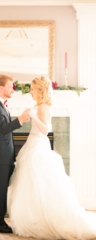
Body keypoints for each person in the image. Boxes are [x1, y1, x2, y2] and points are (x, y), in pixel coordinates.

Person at [7, 76, 96, 239]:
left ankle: (39, 219)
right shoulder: (40, 105)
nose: (30, 92)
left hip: (38, 147)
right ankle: (34, 217)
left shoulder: (42, 106)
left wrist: (33, 116)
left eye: (33, 89)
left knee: (39, 183)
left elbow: (45, 130)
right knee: (32, 184)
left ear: (40, 90)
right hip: (34, 144)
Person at [0, 74, 30, 234]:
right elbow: (2, 128)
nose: (13, 89)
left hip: (4, 154)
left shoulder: (0, 104)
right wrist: (20, 120)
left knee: (2, 188)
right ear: (1, 88)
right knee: (0, 189)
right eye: (10, 86)